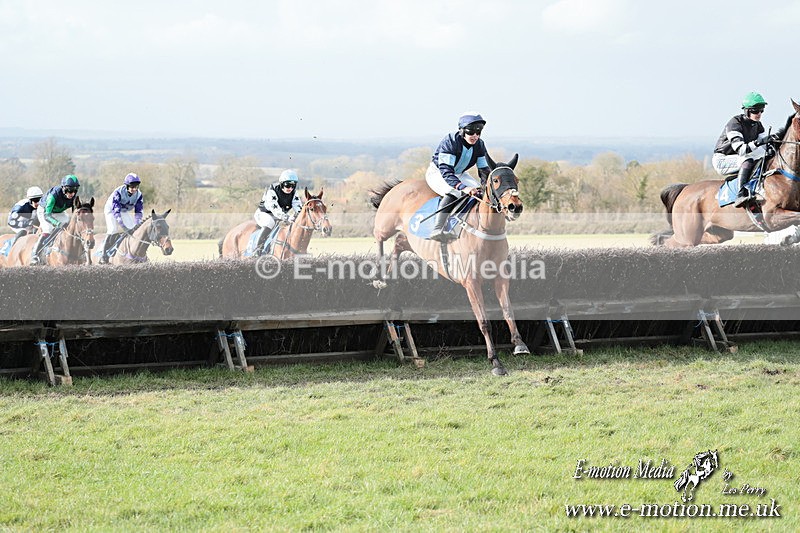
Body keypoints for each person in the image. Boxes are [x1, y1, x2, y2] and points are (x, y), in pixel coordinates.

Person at [425, 112, 491, 241]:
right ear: (462, 131)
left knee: (479, 192)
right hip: (439, 172)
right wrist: (463, 187)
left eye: (478, 133)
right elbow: (446, 171)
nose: (475, 136)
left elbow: (484, 170)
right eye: (471, 132)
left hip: (460, 173)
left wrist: (484, 186)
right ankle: (437, 228)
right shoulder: (450, 141)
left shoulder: (480, 145)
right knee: (454, 191)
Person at [713, 91, 784, 208]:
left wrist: (772, 146)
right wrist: (759, 142)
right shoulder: (734, 124)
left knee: (766, 156)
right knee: (748, 160)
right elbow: (741, 149)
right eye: (755, 110)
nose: (759, 113)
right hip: (722, 159)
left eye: (761, 110)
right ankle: (740, 194)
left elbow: (764, 147)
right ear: (746, 110)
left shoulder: (758, 125)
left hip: (740, 157)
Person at [30, 175, 80, 265]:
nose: (72, 193)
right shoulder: (53, 196)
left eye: (75, 190)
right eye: (70, 190)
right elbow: (47, 215)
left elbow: (74, 213)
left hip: (58, 212)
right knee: (48, 229)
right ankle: (35, 253)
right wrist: (57, 223)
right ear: (64, 188)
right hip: (44, 211)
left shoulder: (73, 196)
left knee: (69, 225)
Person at [252, 169, 303, 254]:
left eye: (293, 186)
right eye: (287, 185)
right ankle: (258, 250)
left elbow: (298, 206)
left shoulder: (294, 193)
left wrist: (299, 215)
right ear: (281, 183)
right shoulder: (272, 191)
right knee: (269, 222)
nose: (290, 188)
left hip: (279, 217)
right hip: (264, 214)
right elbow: (275, 210)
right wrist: (287, 217)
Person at [100, 173, 144, 263]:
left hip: (123, 211)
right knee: (113, 230)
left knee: (133, 229)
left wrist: (137, 224)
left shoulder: (139, 195)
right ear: (127, 186)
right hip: (111, 210)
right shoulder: (118, 192)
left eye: (136, 187)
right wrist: (124, 227)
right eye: (132, 187)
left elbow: (138, 212)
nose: (134, 189)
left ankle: (135, 254)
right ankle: (103, 255)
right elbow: (116, 213)